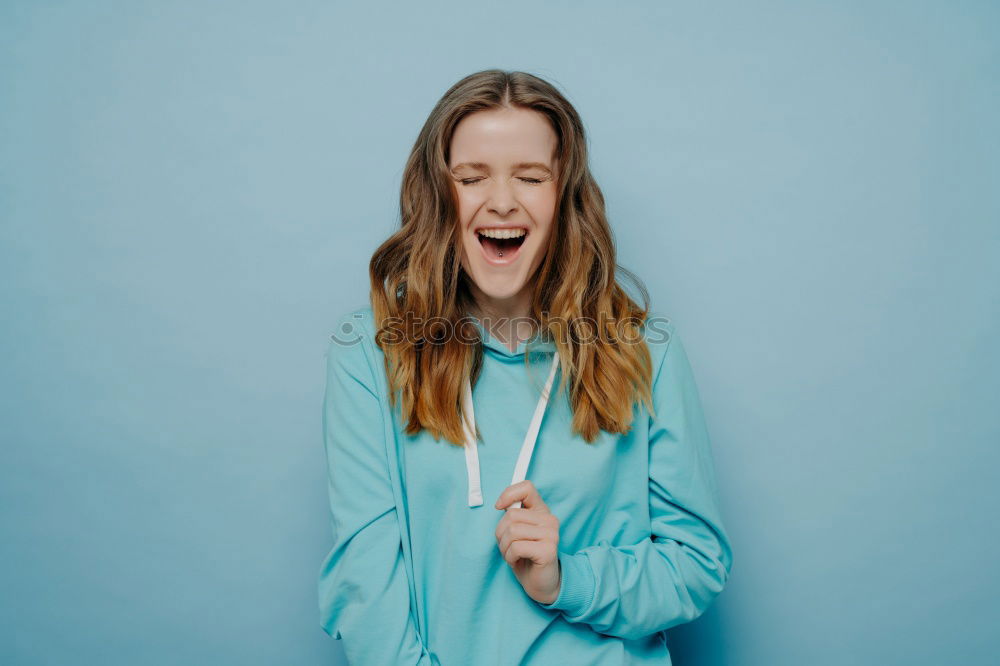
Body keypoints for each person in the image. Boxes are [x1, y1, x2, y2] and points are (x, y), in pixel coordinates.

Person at [317, 69, 733, 665]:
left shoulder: (646, 349)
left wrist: (566, 578)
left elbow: (695, 565)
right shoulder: (368, 352)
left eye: (531, 177)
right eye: (471, 177)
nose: (503, 200)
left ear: (563, 197)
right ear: (440, 194)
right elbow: (366, 585)